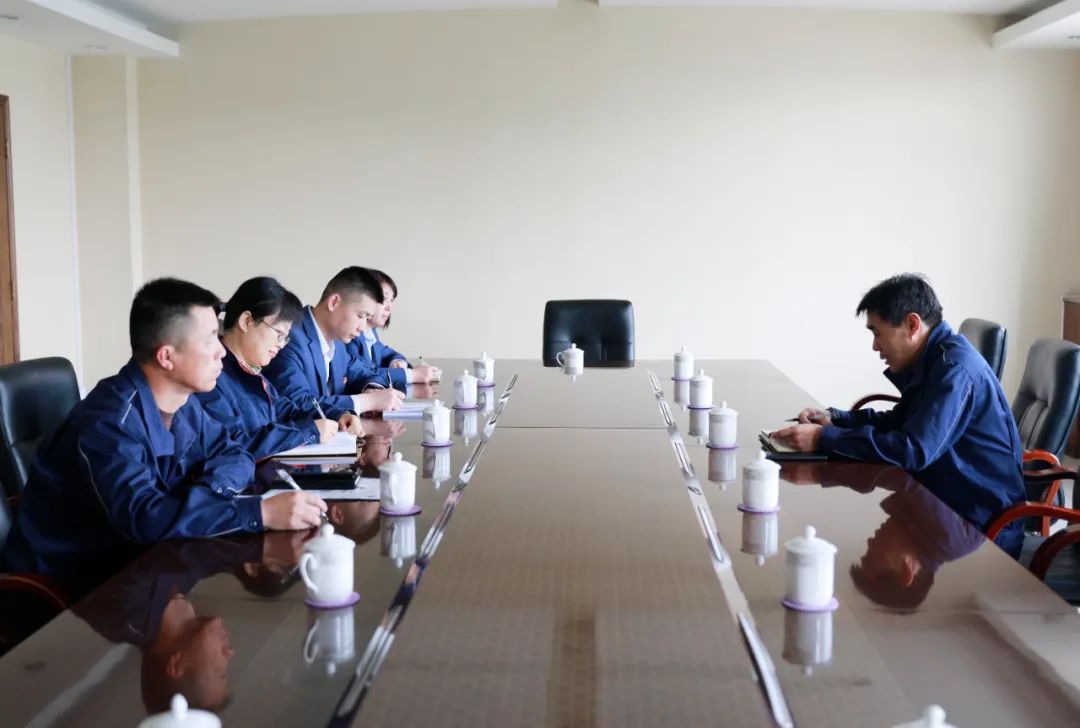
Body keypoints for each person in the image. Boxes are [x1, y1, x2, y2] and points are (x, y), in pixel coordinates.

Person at [2, 278, 327, 594]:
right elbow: (145, 519)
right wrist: (259, 513)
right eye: (210, 340)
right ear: (167, 356)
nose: (222, 352)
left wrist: (207, 498)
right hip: (68, 589)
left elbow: (234, 454)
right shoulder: (109, 423)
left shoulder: (184, 404)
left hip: (145, 566)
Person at [772, 273, 1025, 533]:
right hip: (944, 503)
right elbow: (899, 421)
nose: (875, 346)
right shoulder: (936, 358)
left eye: (877, 333)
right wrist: (836, 420)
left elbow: (913, 450)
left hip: (981, 525)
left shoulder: (954, 369)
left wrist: (822, 439)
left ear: (912, 325)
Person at [196, 276, 363, 461]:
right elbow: (235, 445)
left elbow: (286, 410)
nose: (281, 345)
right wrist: (307, 431)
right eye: (278, 334)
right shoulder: (211, 378)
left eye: (285, 338)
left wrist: (337, 414)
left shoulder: (252, 372)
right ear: (246, 321)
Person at [263, 267, 404, 416]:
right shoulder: (288, 338)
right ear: (334, 302)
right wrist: (366, 402)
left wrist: (371, 390)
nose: (362, 328)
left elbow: (362, 373)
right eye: (361, 316)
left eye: (367, 318)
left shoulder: (337, 341)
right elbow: (295, 405)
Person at [344, 269, 440, 392]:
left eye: (391, 300)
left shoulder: (370, 333)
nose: (389, 307)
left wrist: (397, 361)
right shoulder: (350, 336)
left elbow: (387, 353)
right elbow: (361, 374)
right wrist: (412, 375)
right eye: (384, 299)